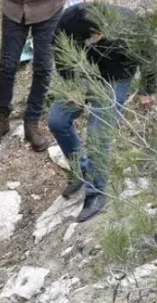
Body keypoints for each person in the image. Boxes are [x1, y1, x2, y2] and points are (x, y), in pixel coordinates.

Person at [48, 2, 156, 223]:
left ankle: (96, 193)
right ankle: (81, 170)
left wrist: (147, 90)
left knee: (98, 131)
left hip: (117, 76)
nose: (98, 36)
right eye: (94, 34)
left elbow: (149, 55)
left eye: (100, 33)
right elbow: (61, 54)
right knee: (57, 121)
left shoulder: (126, 22)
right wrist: (72, 87)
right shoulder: (69, 20)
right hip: (84, 74)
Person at [0, 0, 63, 150]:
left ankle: (32, 122)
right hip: (14, 9)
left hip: (49, 8)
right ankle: (1, 118)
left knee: (43, 67)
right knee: (7, 65)